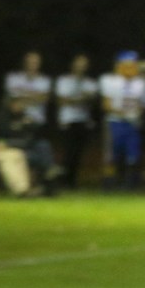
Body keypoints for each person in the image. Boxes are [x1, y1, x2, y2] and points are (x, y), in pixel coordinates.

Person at [100, 51, 145, 190]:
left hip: (132, 122)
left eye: (132, 66)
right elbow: (106, 104)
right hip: (115, 121)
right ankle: (109, 182)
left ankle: (129, 182)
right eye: (127, 66)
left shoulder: (141, 84)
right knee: (113, 152)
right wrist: (124, 113)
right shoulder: (109, 80)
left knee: (132, 152)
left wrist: (137, 113)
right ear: (119, 66)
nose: (130, 69)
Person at [54, 54, 98, 188]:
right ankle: (63, 180)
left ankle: (72, 181)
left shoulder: (90, 83)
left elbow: (93, 102)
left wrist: (74, 100)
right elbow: (61, 100)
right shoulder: (63, 80)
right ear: (72, 64)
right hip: (67, 120)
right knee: (68, 152)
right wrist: (81, 99)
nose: (81, 66)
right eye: (79, 63)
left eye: (84, 64)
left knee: (78, 153)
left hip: (83, 121)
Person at [5, 51, 51, 128]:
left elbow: (44, 98)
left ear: (40, 63)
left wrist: (21, 96)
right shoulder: (13, 77)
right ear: (25, 62)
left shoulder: (45, 80)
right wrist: (35, 95)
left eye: (35, 62)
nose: (32, 64)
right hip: (13, 116)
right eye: (30, 61)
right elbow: (10, 98)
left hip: (36, 119)